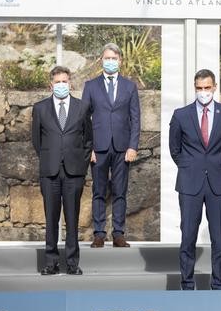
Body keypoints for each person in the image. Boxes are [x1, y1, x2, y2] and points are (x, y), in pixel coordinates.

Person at [169, 69, 221, 290]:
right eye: (199, 88)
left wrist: (220, 165)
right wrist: (189, 166)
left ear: (214, 87)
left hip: (218, 183)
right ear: (195, 88)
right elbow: (175, 148)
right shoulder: (181, 114)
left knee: (219, 236)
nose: (203, 92)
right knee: (188, 234)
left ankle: (218, 284)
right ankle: (187, 284)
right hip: (190, 183)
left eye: (207, 88)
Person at [32, 66, 92, 276]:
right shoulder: (40, 108)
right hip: (50, 172)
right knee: (51, 218)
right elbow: (36, 141)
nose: (61, 85)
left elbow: (88, 140)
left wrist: (81, 166)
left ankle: (73, 263)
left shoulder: (82, 107)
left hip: (74, 172)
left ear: (70, 83)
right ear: (51, 85)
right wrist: (51, 159)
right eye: (57, 82)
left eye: (64, 81)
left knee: (72, 218)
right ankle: (51, 263)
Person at [82, 43, 140, 248]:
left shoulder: (129, 86)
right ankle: (99, 233)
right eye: (107, 58)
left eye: (114, 59)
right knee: (98, 191)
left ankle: (118, 233)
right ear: (101, 60)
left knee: (120, 192)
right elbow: (83, 119)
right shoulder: (91, 86)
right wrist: (88, 148)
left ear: (120, 61)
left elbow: (135, 118)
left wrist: (133, 146)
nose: (110, 62)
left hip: (122, 148)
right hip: (98, 148)